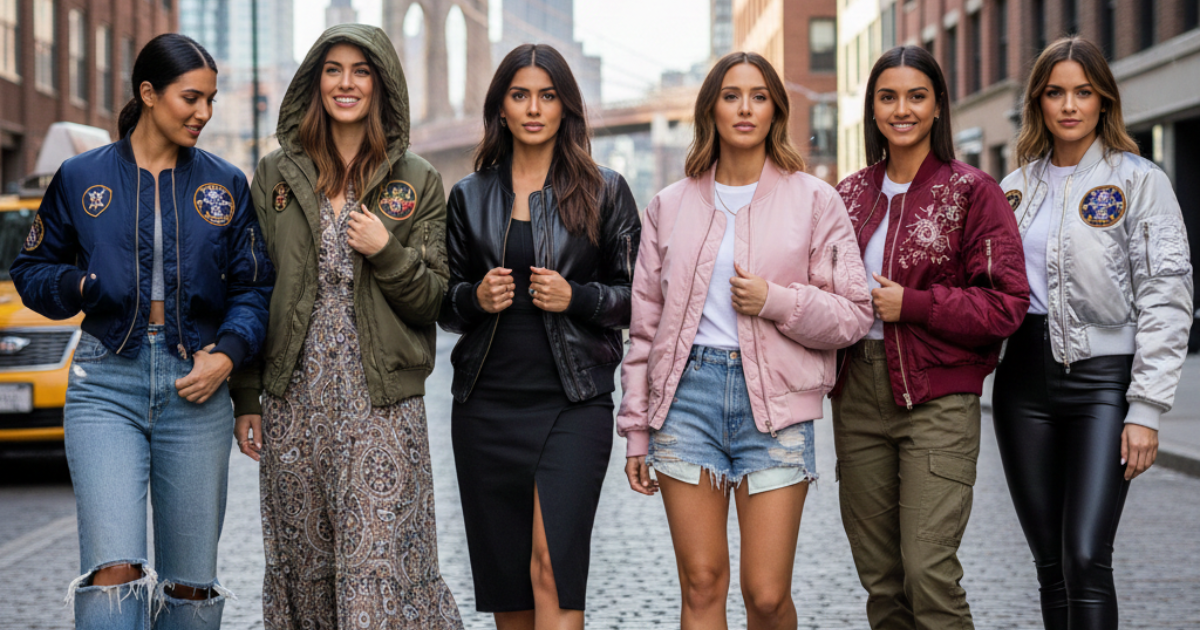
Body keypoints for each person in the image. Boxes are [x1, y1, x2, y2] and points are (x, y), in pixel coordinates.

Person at [9, 33, 273, 629]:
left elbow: (254, 286)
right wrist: (80, 286)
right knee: (113, 573)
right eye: (190, 98)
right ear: (148, 94)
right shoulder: (80, 176)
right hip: (105, 383)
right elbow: (32, 269)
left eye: (210, 100)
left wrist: (227, 356)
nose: (203, 113)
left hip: (197, 387)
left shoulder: (226, 184)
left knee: (192, 587)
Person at [618, 51, 872, 630]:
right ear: (711, 108)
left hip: (777, 408)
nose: (745, 107)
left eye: (758, 96)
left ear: (775, 110)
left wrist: (777, 301)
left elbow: (855, 313)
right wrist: (636, 430)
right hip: (686, 402)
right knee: (702, 584)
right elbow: (645, 328)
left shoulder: (815, 199)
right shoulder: (668, 205)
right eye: (732, 95)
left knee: (765, 595)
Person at [230, 24, 462, 628]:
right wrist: (248, 395)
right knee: (306, 569)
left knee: (378, 567)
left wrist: (387, 249)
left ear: (381, 84)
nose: (346, 83)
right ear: (315, 81)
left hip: (382, 405)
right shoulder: (276, 175)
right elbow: (252, 288)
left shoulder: (418, 179)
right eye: (333, 69)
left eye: (361, 71)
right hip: (294, 404)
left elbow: (433, 299)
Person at [438, 43, 640, 630]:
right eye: (520, 94)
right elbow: (445, 305)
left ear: (565, 107)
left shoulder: (605, 190)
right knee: (510, 588)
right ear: (501, 106)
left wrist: (576, 297)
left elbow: (636, 298)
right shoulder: (468, 196)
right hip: (486, 407)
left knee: (554, 565)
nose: (534, 108)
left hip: (572, 402)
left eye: (547, 96)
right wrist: (473, 298)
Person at [994, 36, 1193, 630]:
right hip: (1022, 386)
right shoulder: (1014, 188)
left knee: (1085, 556)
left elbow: (1167, 291)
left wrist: (1147, 408)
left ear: (1104, 100)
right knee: (1051, 564)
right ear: (1038, 102)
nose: (1069, 105)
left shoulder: (1139, 180)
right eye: (1055, 92)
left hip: (1104, 384)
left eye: (1084, 92)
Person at [831, 45, 1029, 629]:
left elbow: (1006, 303)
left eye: (916, 96)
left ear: (938, 105)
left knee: (928, 571)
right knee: (882, 582)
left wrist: (911, 305)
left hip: (937, 399)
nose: (902, 109)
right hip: (858, 396)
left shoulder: (973, 191)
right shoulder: (847, 195)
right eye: (888, 97)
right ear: (872, 109)